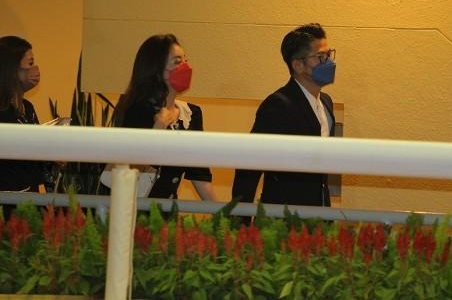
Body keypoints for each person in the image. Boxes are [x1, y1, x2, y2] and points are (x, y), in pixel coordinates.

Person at [232, 23, 337, 209]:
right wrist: (240, 217)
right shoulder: (278, 105)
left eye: (329, 54)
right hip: (284, 215)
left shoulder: (326, 102)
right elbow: (250, 164)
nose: (329, 62)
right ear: (298, 65)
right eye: (321, 56)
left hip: (320, 214)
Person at [113, 34, 216, 200]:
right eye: (177, 62)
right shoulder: (137, 110)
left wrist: (223, 213)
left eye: (185, 60)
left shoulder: (190, 114)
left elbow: (199, 174)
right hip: (133, 210)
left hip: (167, 212)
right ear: (156, 69)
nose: (186, 67)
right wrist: (157, 130)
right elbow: (128, 170)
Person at [0, 36, 52, 217]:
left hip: (30, 198)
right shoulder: (2, 112)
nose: (35, 69)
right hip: (7, 203)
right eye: (30, 63)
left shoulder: (27, 108)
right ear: (12, 68)